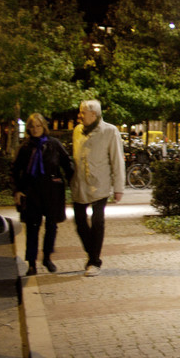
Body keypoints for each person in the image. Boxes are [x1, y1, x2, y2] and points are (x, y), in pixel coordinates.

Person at [12, 113, 74, 276]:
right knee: (32, 227)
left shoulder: (54, 144)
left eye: (38, 126)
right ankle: (31, 262)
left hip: (52, 191)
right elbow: (15, 170)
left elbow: (67, 164)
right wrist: (17, 190)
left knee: (51, 226)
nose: (35, 129)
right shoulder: (25, 147)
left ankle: (47, 257)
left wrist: (71, 183)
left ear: (43, 127)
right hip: (31, 192)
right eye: (32, 126)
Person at [71, 99, 125, 276]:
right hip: (80, 183)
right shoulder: (78, 131)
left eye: (82, 112)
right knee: (79, 222)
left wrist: (118, 188)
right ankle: (92, 253)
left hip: (99, 183)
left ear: (93, 114)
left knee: (97, 222)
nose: (79, 115)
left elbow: (117, 160)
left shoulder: (110, 131)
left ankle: (94, 261)